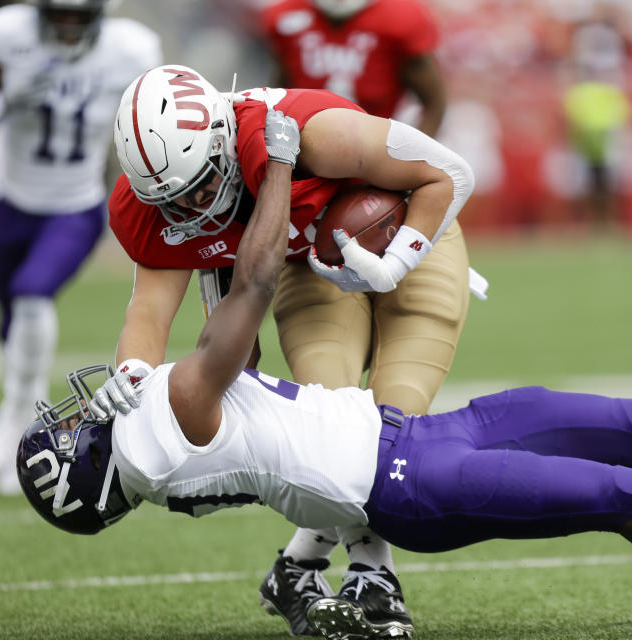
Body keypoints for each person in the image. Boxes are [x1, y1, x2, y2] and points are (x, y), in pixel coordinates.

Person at [16, 112, 632, 639]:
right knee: (620, 496)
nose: (78, 414)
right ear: (86, 467)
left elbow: (235, 361)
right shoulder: (163, 429)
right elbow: (249, 293)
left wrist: (140, 365)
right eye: (71, 431)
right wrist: (276, 163)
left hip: (404, 436)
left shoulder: (160, 424)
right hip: (405, 485)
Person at [98, 63, 479, 636]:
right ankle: (363, 575)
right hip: (305, 260)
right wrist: (131, 377)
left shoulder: (307, 133)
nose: (194, 207)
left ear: (223, 139)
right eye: (173, 200)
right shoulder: (158, 204)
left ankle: (328, 571)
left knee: (399, 418)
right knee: (329, 417)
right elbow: (149, 310)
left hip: (409, 234)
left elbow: (451, 173)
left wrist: (394, 263)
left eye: (202, 182)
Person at [0, 0, 162, 495]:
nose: (67, 25)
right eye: (57, 14)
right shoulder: (6, 33)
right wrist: (7, 100)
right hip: (12, 206)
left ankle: (19, 419)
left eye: (78, 15)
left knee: (31, 293)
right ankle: (14, 411)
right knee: (10, 321)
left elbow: (154, 121)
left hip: (75, 206)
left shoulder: (131, 49)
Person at [259, 0, 447, 137]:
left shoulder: (402, 18)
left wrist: (409, 159)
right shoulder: (284, 15)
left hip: (374, 149)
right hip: (300, 145)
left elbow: (434, 102)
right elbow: (281, 91)